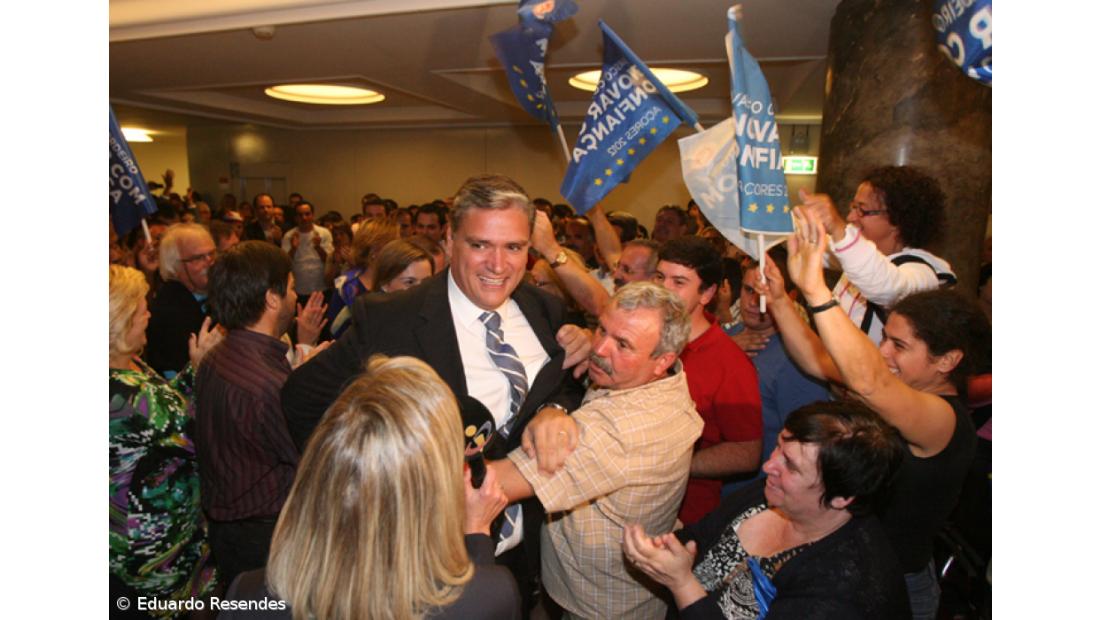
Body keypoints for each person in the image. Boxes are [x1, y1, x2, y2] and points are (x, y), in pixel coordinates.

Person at [282, 174, 591, 610]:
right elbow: (302, 400)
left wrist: (557, 407)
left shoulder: (544, 309)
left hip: (519, 553)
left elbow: (565, 386)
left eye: (514, 247)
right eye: (480, 245)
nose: (498, 265)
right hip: (416, 561)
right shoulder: (391, 318)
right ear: (449, 240)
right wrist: (364, 493)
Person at [758, 207, 988, 619]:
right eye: (887, 340)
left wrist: (816, 292)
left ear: (947, 360)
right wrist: (778, 298)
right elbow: (820, 362)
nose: (884, 352)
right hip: (842, 571)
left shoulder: (944, 420)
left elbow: (868, 382)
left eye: (899, 346)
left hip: (893, 588)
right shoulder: (900, 389)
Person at [222, 355, 520, 619]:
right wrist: (477, 535)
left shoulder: (246, 596)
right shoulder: (491, 595)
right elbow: (467, 601)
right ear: (431, 491)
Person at [490, 282, 703, 619]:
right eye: (602, 328)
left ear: (663, 360)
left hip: (598, 608)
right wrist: (556, 409)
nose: (599, 348)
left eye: (623, 344)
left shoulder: (622, 430)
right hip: (590, 589)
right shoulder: (664, 378)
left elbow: (492, 486)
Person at [622, 400, 910, 620]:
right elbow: (700, 535)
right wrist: (662, 552)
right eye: (778, 448)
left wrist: (681, 582)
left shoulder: (846, 587)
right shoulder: (773, 495)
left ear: (842, 497)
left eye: (791, 465)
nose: (768, 466)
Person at [109, 265, 220, 611]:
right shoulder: (126, 394)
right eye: (143, 308)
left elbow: (168, 408)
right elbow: (195, 436)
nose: (149, 314)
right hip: (154, 544)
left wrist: (195, 369)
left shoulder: (127, 367)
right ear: (121, 320)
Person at [194, 242, 303, 585]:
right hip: (262, 538)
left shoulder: (218, 354)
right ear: (272, 298)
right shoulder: (266, 384)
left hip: (228, 528)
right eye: (290, 286)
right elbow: (307, 459)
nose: (296, 295)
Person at [655, 237, 762, 525]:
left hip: (683, 518)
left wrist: (673, 466)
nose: (663, 290)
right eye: (659, 277)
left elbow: (747, 452)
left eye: (678, 282)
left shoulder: (730, 364)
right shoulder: (647, 339)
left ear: (707, 293)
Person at [798, 166, 955, 344]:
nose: (850, 217)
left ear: (898, 220)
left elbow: (888, 287)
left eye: (862, 210)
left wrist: (837, 227)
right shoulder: (862, 256)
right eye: (852, 207)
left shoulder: (923, 273)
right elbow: (813, 244)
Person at [722, 257, 829, 495]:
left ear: (787, 296)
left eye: (763, 293)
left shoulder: (798, 361)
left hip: (758, 492)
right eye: (748, 290)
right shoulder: (728, 336)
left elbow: (806, 446)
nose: (752, 302)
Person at [145, 223, 217, 377]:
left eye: (212, 253)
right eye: (198, 258)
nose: (210, 262)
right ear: (174, 266)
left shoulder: (221, 293)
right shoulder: (166, 311)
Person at [325, 218, 400, 338]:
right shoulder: (347, 288)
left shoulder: (401, 280)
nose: (400, 251)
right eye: (395, 245)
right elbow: (335, 330)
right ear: (375, 250)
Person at [282, 201, 334, 301]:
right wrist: (293, 248)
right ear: (295, 218)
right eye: (300, 215)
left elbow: (330, 261)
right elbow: (285, 263)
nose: (304, 218)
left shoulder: (324, 233)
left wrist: (318, 247)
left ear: (313, 215)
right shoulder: (289, 236)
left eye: (307, 214)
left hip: (321, 287)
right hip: (299, 289)